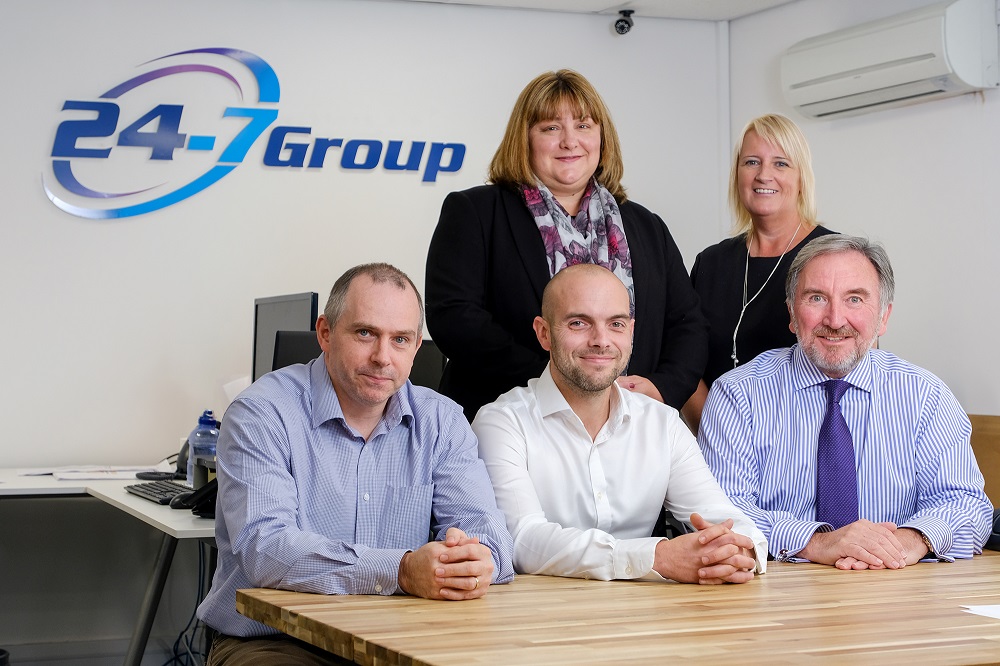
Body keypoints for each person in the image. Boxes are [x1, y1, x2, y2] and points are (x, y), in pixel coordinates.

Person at [198, 263, 514, 664]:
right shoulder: (262, 413)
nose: (383, 357)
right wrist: (400, 570)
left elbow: (492, 538)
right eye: (366, 333)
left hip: (404, 633)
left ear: (417, 348)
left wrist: (474, 559)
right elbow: (266, 548)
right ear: (325, 333)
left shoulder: (442, 421)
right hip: (277, 640)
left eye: (400, 339)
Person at [426, 69, 708, 421]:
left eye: (584, 126)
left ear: (602, 138)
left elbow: (688, 325)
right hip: (509, 419)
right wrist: (560, 383)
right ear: (524, 139)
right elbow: (455, 318)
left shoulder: (646, 226)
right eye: (551, 128)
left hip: (629, 425)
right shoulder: (477, 212)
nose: (570, 141)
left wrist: (663, 387)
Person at [699, 236, 992, 569]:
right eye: (816, 298)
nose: (835, 320)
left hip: (895, 592)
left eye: (855, 299)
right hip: (775, 599)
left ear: (883, 317)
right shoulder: (738, 396)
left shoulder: (927, 396)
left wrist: (912, 540)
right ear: (792, 314)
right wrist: (816, 543)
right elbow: (719, 513)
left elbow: (967, 504)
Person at [474, 264, 766, 584]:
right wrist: (655, 558)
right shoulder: (502, 423)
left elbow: (727, 520)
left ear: (630, 331)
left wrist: (739, 552)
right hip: (541, 623)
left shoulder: (663, 423)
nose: (601, 340)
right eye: (578, 323)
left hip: (647, 618)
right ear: (544, 333)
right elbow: (521, 540)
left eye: (615, 324)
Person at [684, 114, 837, 433]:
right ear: (737, 174)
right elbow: (684, 359)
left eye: (781, 163)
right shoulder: (710, 263)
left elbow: (858, 364)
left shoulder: (834, 256)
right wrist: (719, 432)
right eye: (751, 162)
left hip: (804, 444)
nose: (764, 175)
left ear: (801, 179)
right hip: (718, 444)